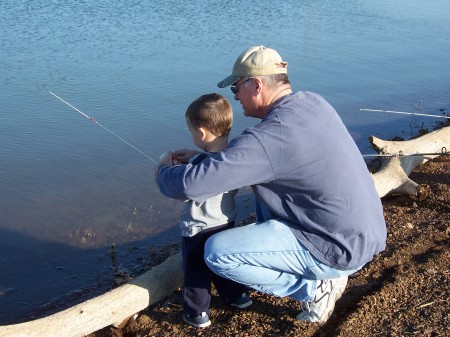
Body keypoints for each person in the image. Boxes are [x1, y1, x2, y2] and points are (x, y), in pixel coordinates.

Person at [155, 45, 387, 325]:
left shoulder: (266, 140)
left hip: (338, 250)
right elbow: (259, 158)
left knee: (216, 253)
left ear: (256, 84)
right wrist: (207, 157)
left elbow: (188, 186)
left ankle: (315, 289)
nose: (236, 96)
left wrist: (163, 170)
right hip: (366, 234)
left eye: (237, 88)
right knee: (262, 185)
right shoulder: (313, 103)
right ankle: (320, 272)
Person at [155, 93, 252, 328]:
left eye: (191, 131)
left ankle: (197, 312)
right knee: (222, 264)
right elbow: (211, 163)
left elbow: (181, 188)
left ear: (201, 133)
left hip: (198, 229)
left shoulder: (200, 166)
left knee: (196, 270)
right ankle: (237, 296)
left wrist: (163, 167)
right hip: (225, 222)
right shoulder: (232, 158)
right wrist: (197, 156)